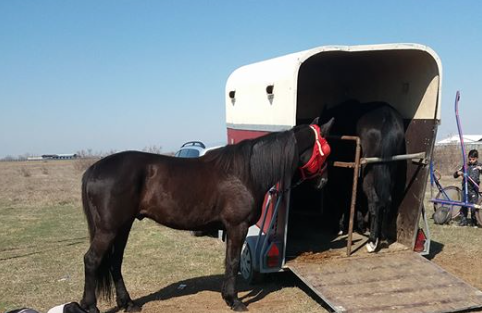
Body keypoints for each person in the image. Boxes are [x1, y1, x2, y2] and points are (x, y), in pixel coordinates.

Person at [453, 149, 481, 227]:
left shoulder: (479, 165)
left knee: (474, 206)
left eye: (473, 159)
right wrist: (457, 173)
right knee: (464, 205)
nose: (471, 161)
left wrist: (480, 169)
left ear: (476, 158)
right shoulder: (465, 166)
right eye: (470, 159)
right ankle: (463, 220)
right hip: (465, 189)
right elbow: (454, 175)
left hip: (474, 190)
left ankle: (474, 221)